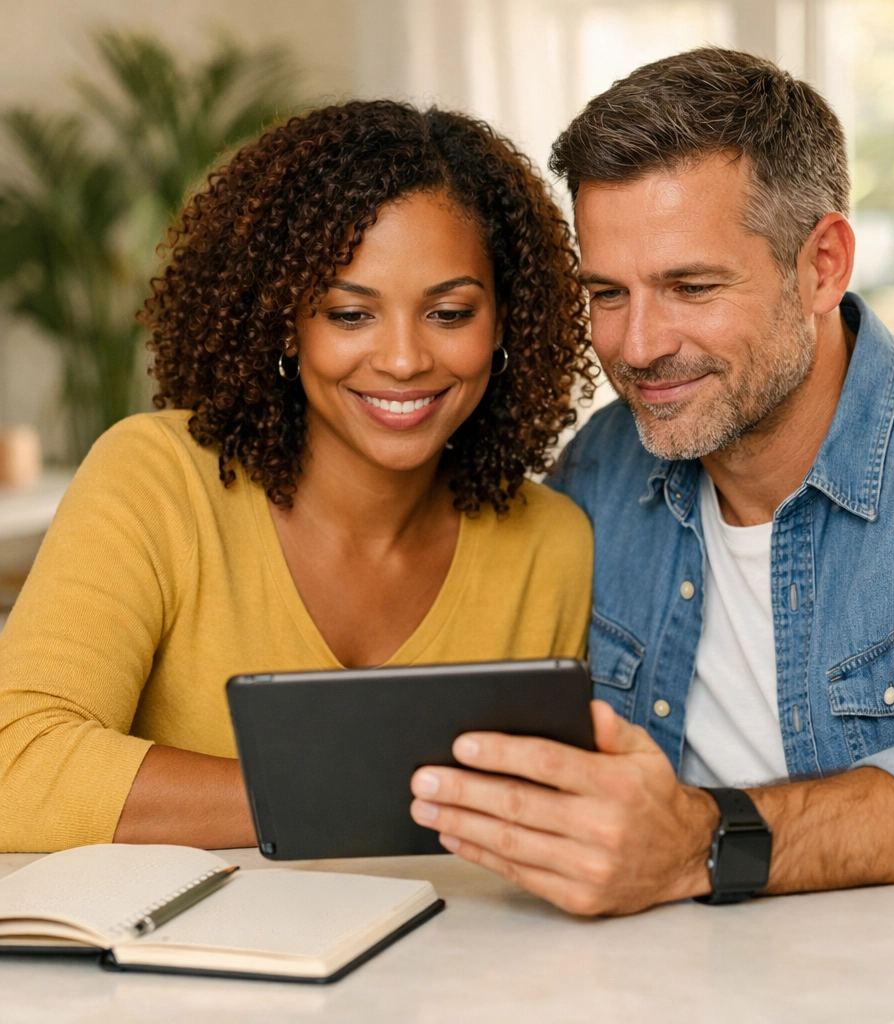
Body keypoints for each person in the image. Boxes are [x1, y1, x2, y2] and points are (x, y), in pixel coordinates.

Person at [409, 48, 894, 920]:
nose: (636, 345)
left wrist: (705, 841)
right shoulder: (600, 467)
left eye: (690, 287)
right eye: (608, 293)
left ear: (822, 265)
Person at [0, 101, 596, 853]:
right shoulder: (156, 479)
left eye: (449, 313)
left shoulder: (552, 546)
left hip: (455, 966)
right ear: (286, 321)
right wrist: (371, 791)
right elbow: (15, 769)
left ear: (506, 322)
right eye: (351, 315)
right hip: (176, 968)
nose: (405, 359)